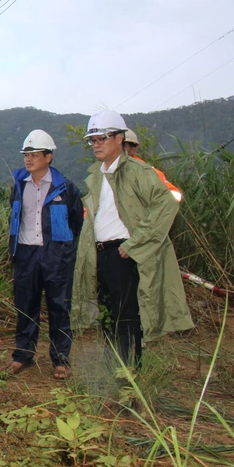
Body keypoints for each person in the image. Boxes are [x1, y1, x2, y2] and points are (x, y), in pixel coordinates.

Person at [72, 110, 192, 368]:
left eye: (102, 138)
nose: (96, 145)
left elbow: (167, 204)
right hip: (101, 253)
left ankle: (129, 373)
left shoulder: (138, 171)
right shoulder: (97, 175)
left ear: (119, 138)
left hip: (123, 254)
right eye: (92, 140)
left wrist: (135, 243)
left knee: (126, 316)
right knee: (107, 315)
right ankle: (112, 368)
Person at [7, 130, 84, 380]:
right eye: (26, 155)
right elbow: (15, 215)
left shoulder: (66, 187)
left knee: (59, 306)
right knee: (25, 305)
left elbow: (76, 221)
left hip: (56, 256)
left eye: (34, 155)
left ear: (48, 157)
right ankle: (23, 354)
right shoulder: (19, 185)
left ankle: (61, 360)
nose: (28, 159)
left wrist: (64, 250)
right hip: (25, 253)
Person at [123, 129, 182, 202]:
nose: (116, 149)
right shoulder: (110, 170)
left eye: (122, 145)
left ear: (133, 149)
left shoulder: (149, 172)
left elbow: (175, 195)